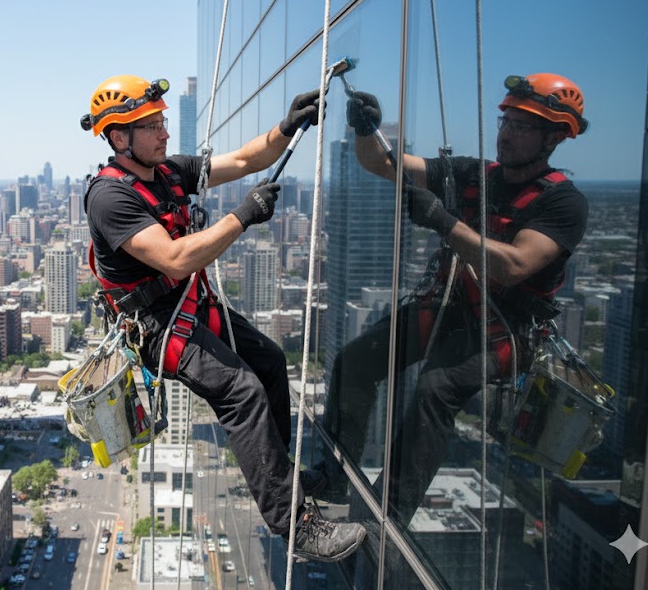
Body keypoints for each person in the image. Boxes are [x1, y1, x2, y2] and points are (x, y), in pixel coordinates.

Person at [80, 74, 366, 562]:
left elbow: (242, 160)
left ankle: (284, 476)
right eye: (151, 126)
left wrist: (287, 127)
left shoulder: (168, 172)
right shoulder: (110, 198)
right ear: (119, 138)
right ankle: (295, 526)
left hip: (189, 305)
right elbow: (173, 259)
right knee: (241, 392)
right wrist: (242, 217)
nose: (165, 133)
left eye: (162, 122)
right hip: (157, 327)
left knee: (271, 362)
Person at [320, 73, 590, 525]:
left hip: (504, 329)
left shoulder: (563, 203)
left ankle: (385, 519)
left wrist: (444, 222)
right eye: (507, 121)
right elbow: (382, 165)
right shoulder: (472, 173)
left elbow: (516, 265)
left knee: (435, 390)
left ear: (555, 136)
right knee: (355, 361)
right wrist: (365, 130)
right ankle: (334, 475)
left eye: (523, 126)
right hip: (450, 305)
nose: (506, 133)